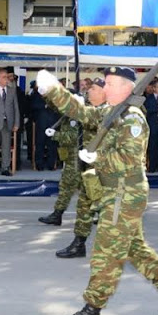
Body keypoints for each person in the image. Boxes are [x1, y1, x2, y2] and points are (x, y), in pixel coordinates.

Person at [35, 67, 158, 315]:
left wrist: (98, 158)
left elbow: (129, 160)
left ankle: (92, 309)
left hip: (125, 192)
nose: (104, 88)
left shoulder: (132, 119)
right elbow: (81, 111)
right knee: (133, 248)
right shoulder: (109, 111)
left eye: (109, 84)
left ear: (125, 88)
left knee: (106, 252)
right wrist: (54, 90)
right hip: (112, 190)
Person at [55, 78, 106, 259]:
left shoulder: (112, 112)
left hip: (107, 170)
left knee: (111, 213)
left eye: (92, 89)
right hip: (89, 167)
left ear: (103, 92)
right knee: (84, 203)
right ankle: (79, 244)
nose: (88, 92)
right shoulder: (93, 110)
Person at [38, 112, 80, 226]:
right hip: (72, 158)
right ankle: (57, 215)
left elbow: (72, 138)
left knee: (67, 187)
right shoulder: (67, 116)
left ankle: (57, 215)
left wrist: (55, 134)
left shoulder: (74, 118)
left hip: (76, 159)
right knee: (77, 188)